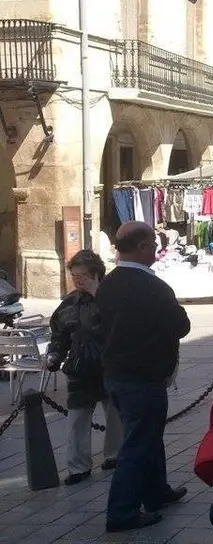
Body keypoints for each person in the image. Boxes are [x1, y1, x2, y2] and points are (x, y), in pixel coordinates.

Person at [98, 221, 191, 533]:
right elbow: (181, 325)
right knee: (138, 443)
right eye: (153, 244)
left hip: (116, 375)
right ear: (140, 248)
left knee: (147, 435)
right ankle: (121, 512)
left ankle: (156, 491)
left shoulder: (108, 284)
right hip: (142, 376)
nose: (156, 249)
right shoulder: (153, 287)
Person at [46, 250, 123, 485]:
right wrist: (55, 355)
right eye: (75, 275)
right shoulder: (70, 303)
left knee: (115, 415)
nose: (78, 280)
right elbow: (60, 333)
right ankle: (78, 467)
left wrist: (97, 293)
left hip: (109, 366)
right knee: (77, 418)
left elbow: (120, 327)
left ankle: (114, 455)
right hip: (80, 367)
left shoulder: (111, 298)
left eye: (84, 275)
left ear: (97, 274)